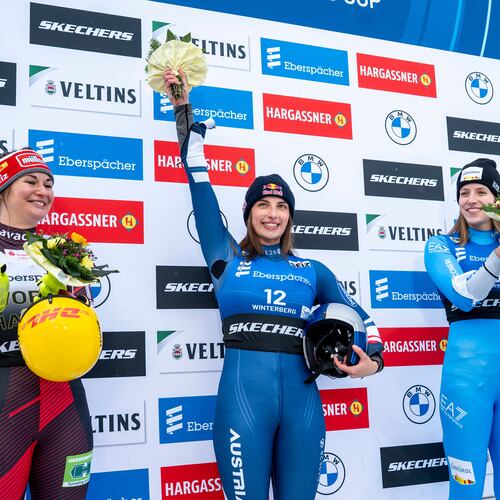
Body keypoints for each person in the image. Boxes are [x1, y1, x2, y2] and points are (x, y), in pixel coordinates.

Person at [165, 69, 384, 500]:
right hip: (242, 407)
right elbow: (198, 183)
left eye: (281, 206)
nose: (272, 213)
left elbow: (364, 320)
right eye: (262, 204)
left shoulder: (312, 270)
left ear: (290, 216)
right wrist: (181, 109)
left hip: (304, 409)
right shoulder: (226, 258)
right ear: (248, 214)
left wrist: (372, 362)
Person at [0, 149, 93, 499]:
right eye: (31, 181)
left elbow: (85, 326)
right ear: (4, 188)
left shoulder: (65, 252)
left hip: (64, 402)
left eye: (49, 183)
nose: (43, 190)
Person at [424, 158, 500, 499]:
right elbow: (465, 295)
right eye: (464, 192)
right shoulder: (441, 245)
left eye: (481, 191)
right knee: (466, 486)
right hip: (466, 380)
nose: (470, 199)